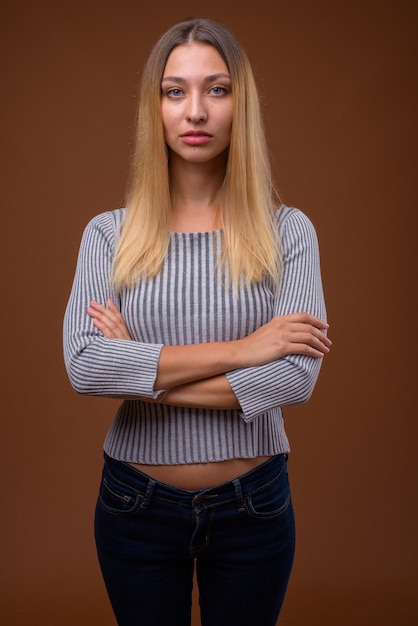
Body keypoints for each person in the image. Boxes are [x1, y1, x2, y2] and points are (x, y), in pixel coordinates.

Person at [63, 16, 331, 626]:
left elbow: (295, 381)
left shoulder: (288, 232)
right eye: (175, 91)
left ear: (241, 103)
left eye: (216, 89)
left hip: (254, 507)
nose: (196, 112)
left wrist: (143, 364)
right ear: (154, 108)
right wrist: (245, 350)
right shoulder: (110, 235)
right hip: (136, 506)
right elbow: (85, 365)